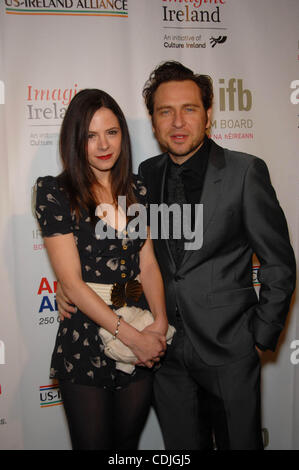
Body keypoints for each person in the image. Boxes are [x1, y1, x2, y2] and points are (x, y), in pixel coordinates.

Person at [56, 62, 296, 450]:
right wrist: (71, 285)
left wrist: (258, 338)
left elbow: (279, 264)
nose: (178, 121)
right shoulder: (141, 178)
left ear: (208, 114)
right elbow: (124, 257)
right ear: (153, 122)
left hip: (230, 350)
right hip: (162, 353)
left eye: (189, 109)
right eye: (165, 111)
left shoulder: (245, 172)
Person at [34, 88, 169, 450]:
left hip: (139, 327)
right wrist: (133, 337)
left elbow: (148, 263)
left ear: (123, 135)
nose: (103, 144)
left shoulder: (138, 188)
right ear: (75, 141)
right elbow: (73, 285)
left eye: (111, 132)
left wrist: (158, 322)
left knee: (125, 446)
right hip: (84, 338)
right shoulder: (55, 192)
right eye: (90, 135)